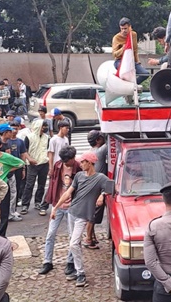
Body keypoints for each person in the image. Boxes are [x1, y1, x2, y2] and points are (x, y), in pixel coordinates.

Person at [50, 151, 110, 288]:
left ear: (90, 163)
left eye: (83, 162)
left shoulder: (100, 178)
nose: (81, 164)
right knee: (74, 242)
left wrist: (102, 195)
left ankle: (81, 273)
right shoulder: (78, 176)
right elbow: (68, 193)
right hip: (72, 212)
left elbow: (112, 187)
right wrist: (55, 208)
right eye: (81, 161)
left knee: (73, 243)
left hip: (83, 216)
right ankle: (77, 270)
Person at [40, 146, 80, 276]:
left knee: (72, 235)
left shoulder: (78, 168)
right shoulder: (58, 166)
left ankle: (70, 262)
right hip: (57, 204)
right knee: (50, 234)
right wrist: (51, 202)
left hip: (72, 206)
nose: (67, 162)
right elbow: (53, 184)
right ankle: (47, 261)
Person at [0, 135, 25, 236]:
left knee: (4, 213)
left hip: (3, 187)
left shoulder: (6, 157)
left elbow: (21, 163)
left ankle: (2, 235)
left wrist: (7, 169)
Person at [21, 119, 50, 215]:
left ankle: (38, 202)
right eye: (43, 126)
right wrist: (29, 159)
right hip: (32, 164)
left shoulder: (47, 138)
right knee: (29, 185)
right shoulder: (29, 137)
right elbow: (24, 151)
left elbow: (48, 151)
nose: (45, 128)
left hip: (44, 164)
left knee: (41, 185)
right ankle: (25, 205)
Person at [112, 17, 150, 84]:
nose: (124, 31)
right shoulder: (116, 38)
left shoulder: (133, 34)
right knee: (125, 72)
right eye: (122, 29)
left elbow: (135, 49)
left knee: (145, 74)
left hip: (131, 60)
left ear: (130, 27)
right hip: (120, 61)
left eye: (125, 28)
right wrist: (122, 49)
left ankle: (133, 85)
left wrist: (137, 61)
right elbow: (114, 54)